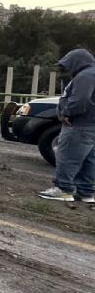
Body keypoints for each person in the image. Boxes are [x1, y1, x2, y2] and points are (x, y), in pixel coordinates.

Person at [38, 49, 95, 203]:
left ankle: (63, 189)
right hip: (91, 125)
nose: (68, 69)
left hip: (79, 124)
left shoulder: (85, 76)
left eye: (68, 65)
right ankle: (86, 192)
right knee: (88, 159)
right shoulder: (92, 73)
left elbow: (80, 100)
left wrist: (66, 113)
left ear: (77, 62)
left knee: (68, 156)